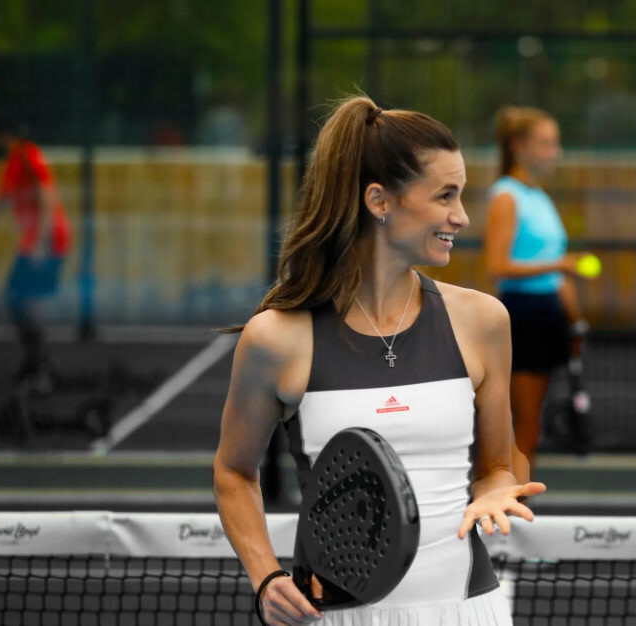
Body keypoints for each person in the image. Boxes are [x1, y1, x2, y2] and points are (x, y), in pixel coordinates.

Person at [213, 96, 544, 626]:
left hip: (471, 613)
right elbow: (233, 471)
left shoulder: (483, 321)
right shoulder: (276, 339)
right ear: (379, 200)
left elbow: (499, 465)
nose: (461, 216)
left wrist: (499, 490)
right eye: (445, 195)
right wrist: (267, 578)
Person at [483, 105, 589, 468]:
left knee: (531, 427)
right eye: (545, 143)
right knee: (523, 427)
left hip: (548, 316)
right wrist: (560, 265)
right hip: (521, 317)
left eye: (555, 143)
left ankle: (518, 496)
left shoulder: (539, 197)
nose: (554, 152)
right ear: (518, 147)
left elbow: (556, 272)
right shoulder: (506, 196)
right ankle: (510, 500)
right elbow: (497, 266)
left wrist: (575, 321)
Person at [0, 118, 72, 390]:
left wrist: (41, 241)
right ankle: (36, 362)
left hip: (47, 240)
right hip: (34, 241)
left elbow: (48, 196)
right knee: (16, 298)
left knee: (25, 300)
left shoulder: (28, 155)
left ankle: (43, 369)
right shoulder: (13, 164)